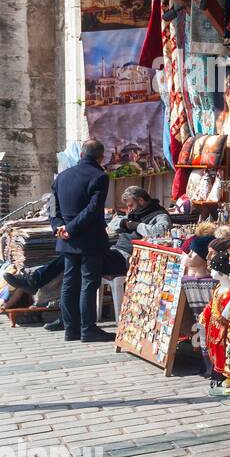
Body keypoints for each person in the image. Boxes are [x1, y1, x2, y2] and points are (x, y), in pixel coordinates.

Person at [4, 187, 163, 332]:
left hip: (129, 258)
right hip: (115, 252)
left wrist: (134, 225)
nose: (129, 209)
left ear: (141, 201)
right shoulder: (133, 214)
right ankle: (66, 316)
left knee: (76, 256)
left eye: (131, 205)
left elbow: (159, 231)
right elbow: (113, 225)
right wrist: (124, 221)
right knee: (73, 263)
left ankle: (38, 282)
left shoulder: (159, 215)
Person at [50, 139, 111, 342]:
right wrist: (69, 228)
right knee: (88, 283)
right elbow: (93, 210)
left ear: (81, 154)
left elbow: (53, 208)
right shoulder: (99, 176)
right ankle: (88, 329)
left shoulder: (62, 177)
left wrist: (60, 228)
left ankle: (71, 329)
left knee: (69, 282)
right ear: (100, 157)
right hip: (88, 238)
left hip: (67, 238)